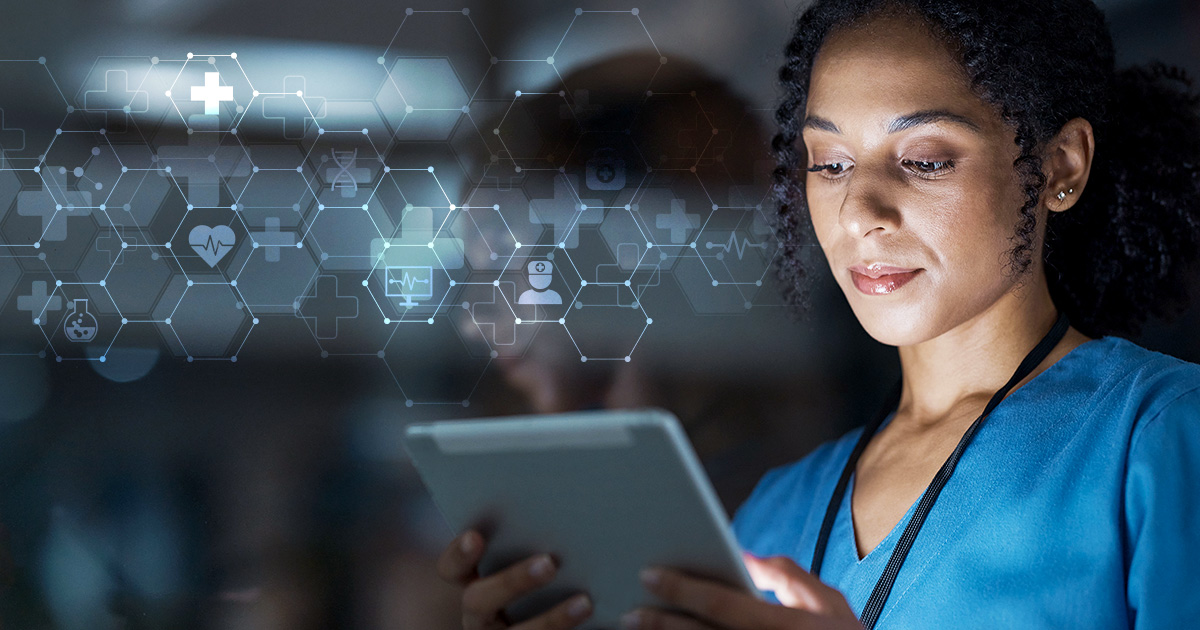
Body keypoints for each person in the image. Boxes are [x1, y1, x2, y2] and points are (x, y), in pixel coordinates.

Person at [434, 0, 1200, 628]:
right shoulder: (775, 514)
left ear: (1060, 166)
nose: (860, 209)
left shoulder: (1161, 436)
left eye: (926, 159)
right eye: (828, 164)